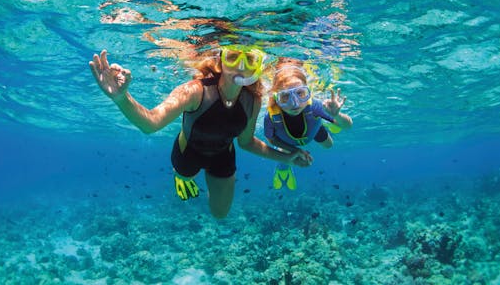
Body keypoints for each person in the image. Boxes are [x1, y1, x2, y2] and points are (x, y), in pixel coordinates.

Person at [89, 47, 311, 218]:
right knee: (185, 175)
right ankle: (181, 176)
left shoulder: (253, 99)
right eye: (233, 57)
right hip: (189, 152)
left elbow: (246, 143)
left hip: (224, 154)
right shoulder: (195, 90)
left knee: (220, 214)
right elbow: (151, 123)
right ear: (221, 60)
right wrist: (121, 98)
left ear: (256, 66)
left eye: (250, 60)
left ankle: (204, 184)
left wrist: (287, 157)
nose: (241, 67)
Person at [264, 58, 353, 190]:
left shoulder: (315, 106)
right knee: (284, 154)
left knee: (329, 145)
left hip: (314, 129)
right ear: (276, 98)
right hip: (287, 142)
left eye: (300, 93)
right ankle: (282, 170)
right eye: (285, 97)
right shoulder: (271, 117)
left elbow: (348, 126)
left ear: (308, 92)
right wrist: (295, 151)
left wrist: (337, 115)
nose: (295, 103)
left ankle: (329, 121)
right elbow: (271, 139)